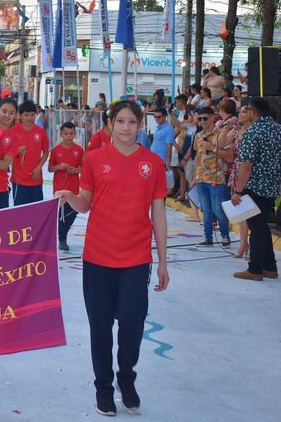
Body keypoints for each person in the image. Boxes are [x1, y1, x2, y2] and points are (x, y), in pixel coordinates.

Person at [54, 100, 169, 416]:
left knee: (132, 323)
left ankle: (127, 378)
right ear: (110, 124)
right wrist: (69, 196)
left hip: (135, 258)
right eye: (120, 121)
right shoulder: (94, 160)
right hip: (98, 257)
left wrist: (162, 261)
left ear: (140, 125)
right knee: (100, 326)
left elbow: (158, 213)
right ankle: (103, 388)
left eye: (132, 122)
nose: (126, 128)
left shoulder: (153, 164)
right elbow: (86, 203)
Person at [232, 97, 281, 281]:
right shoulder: (277, 129)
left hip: (255, 186)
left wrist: (238, 191)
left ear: (253, 112)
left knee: (257, 228)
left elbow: (246, 165)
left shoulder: (254, 131)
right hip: (272, 186)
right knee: (263, 227)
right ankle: (270, 266)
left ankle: (255, 269)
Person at [193, 107, 231, 248]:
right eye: (199, 119)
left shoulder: (221, 133)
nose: (202, 121)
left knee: (217, 209)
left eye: (205, 118)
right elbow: (198, 156)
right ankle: (207, 237)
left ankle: (225, 235)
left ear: (212, 117)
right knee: (206, 210)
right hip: (202, 177)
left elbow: (228, 155)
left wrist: (213, 148)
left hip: (216, 178)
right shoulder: (198, 135)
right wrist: (195, 176)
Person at [49, 121, 84, 251]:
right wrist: (60, 167)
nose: (68, 136)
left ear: (75, 134)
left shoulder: (79, 150)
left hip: (74, 188)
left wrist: (75, 170)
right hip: (59, 188)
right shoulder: (56, 150)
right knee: (61, 214)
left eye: (71, 133)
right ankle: (62, 239)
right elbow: (50, 168)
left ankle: (62, 234)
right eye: (66, 134)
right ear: (61, 134)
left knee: (73, 212)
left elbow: (83, 168)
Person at [227, 104, 253, 259]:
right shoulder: (237, 130)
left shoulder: (254, 131)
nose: (241, 114)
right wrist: (226, 127)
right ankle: (244, 242)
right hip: (236, 170)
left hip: (248, 171)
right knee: (241, 211)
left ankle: (249, 243)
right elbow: (222, 143)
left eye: (244, 111)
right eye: (240, 111)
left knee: (250, 211)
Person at [11, 101, 49, 205]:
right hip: (18, 179)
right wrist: (17, 151)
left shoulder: (41, 132)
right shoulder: (14, 131)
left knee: (35, 212)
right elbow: (7, 155)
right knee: (20, 212)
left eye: (32, 115)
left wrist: (39, 167)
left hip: (35, 178)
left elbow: (45, 152)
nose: (29, 118)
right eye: (26, 115)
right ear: (20, 115)